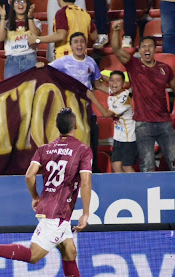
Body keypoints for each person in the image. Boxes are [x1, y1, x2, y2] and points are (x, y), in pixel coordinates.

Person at [0, 108, 111, 277]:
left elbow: (29, 175)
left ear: (57, 127)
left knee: (69, 252)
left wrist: (35, 197)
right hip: (58, 213)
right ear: (76, 125)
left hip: (49, 208)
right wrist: (86, 213)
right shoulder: (82, 149)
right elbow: (86, 181)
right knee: (34, 256)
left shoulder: (44, 148)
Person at [111, 21, 175, 172]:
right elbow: (116, 49)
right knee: (147, 165)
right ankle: (147, 195)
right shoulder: (133, 64)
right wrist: (116, 31)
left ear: (155, 49)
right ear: (139, 50)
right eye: (144, 46)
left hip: (165, 123)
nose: (147, 49)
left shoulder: (165, 69)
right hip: (143, 124)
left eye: (150, 46)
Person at [48, 32, 108, 172]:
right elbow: (47, 70)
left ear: (85, 44)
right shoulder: (63, 61)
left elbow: (97, 85)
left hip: (88, 112)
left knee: (91, 145)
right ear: (71, 45)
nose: (79, 44)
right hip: (71, 113)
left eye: (82, 41)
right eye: (76, 42)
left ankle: (91, 174)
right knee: (72, 146)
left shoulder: (91, 62)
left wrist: (114, 92)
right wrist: (40, 65)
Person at [0, 0, 41, 79]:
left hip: (29, 57)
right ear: (12, 6)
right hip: (12, 59)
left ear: (27, 5)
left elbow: (36, 35)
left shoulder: (35, 22)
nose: (20, 4)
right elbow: (0, 38)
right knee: (11, 89)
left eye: (23, 1)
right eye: (17, 2)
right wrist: (2, 18)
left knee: (30, 88)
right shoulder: (7, 23)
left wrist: (30, 18)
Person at [104, 71, 137, 173]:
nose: (114, 83)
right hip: (118, 137)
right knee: (116, 165)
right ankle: (125, 188)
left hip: (129, 138)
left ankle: (139, 187)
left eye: (118, 81)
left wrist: (92, 97)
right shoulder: (112, 94)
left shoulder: (125, 98)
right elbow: (98, 85)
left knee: (126, 166)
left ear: (123, 84)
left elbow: (106, 114)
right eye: (112, 80)